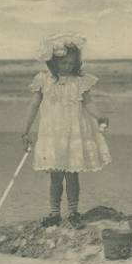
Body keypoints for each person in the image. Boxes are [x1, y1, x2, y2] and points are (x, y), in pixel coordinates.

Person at [22, 33, 111, 228]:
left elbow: (88, 103)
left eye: (71, 62)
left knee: (72, 174)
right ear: (53, 62)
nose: (67, 66)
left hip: (74, 133)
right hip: (52, 133)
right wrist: (25, 130)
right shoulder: (44, 80)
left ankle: (73, 212)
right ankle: (54, 213)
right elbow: (34, 106)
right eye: (63, 63)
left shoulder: (79, 81)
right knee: (55, 176)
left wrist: (99, 116)